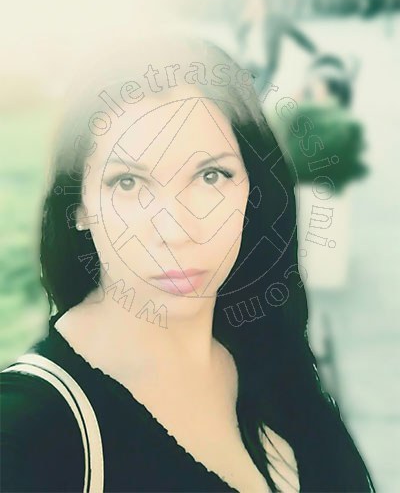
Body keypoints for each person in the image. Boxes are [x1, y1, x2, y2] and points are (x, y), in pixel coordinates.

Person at [0, 35, 374, 492]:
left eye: (210, 176)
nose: (176, 229)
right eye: (128, 183)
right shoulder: (30, 432)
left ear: (252, 191)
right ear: (77, 206)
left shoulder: (268, 350)